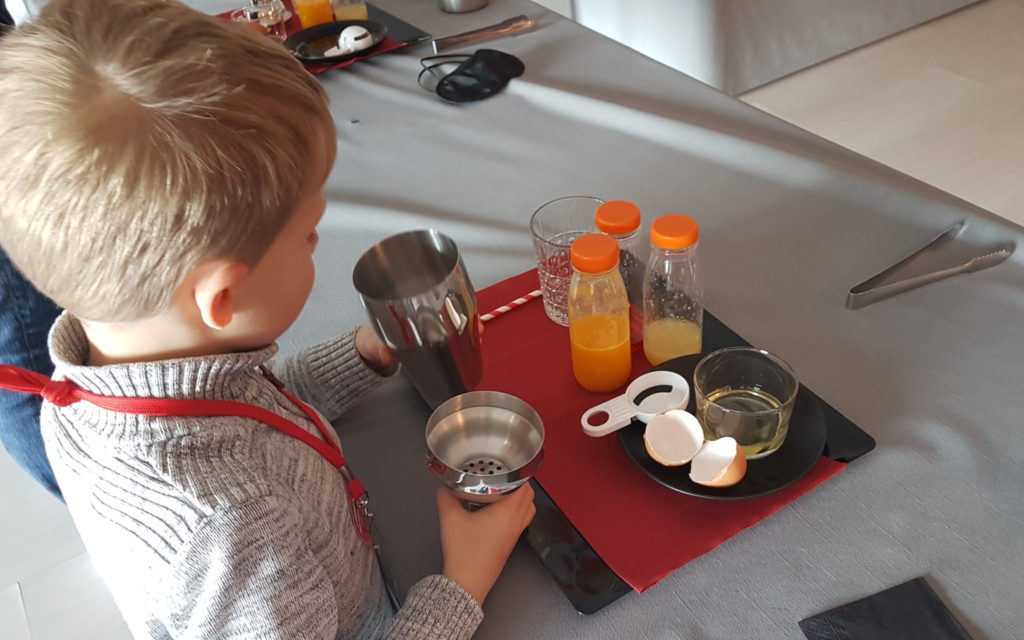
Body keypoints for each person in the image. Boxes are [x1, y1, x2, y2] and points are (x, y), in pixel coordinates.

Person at [0, 0, 535, 638]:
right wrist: (462, 583)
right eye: (309, 235)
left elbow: (255, 411)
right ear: (222, 298)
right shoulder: (237, 534)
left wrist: (363, 354)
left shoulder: (98, 376)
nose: (318, 245)